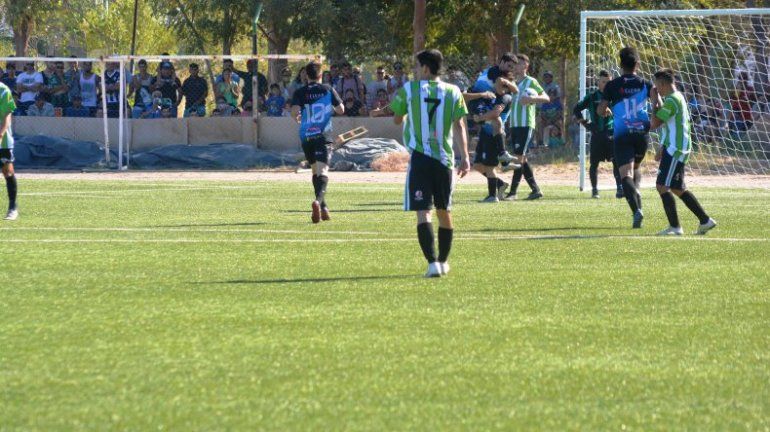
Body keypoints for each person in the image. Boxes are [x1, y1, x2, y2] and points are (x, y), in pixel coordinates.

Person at [390, 49, 470, 278]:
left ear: (425, 68)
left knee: (423, 212)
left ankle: (432, 262)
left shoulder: (410, 90)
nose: (415, 72)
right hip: (445, 160)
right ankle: (443, 261)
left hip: (420, 160)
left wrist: (404, 114)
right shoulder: (453, 91)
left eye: (417, 67)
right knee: (444, 211)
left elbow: (396, 119)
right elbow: (460, 126)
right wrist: (465, 157)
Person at [649, 68, 717, 236]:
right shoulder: (677, 98)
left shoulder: (672, 100)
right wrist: (661, 148)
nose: (658, 89)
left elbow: (655, 123)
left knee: (661, 186)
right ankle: (705, 220)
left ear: (663, 84)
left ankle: (675, 227)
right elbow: (670, 125)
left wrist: (653, 101)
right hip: (675, 148)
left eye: (658, 86)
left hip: (676, 149)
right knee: (677, 188)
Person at [598, 46, 653, 228]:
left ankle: (636, 210)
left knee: (625, 174)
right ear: (637, 64)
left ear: (620, 64)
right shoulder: (646, 84)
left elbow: (600, 109)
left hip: (622, 135)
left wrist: (606, 110)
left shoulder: (612, 85)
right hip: (641, 135)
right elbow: (659, 105)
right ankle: (637, 195)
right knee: (635, 168)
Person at [290, 61, 345, 223]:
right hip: (323, 136)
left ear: (306, 75)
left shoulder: (300, 91)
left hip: (306, 137)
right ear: (321, 75)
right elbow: (341, 109)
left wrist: (298, 118)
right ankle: (318, 202)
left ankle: (324, 207)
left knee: (315, 172)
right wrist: (330, 110)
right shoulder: (328, 89)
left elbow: (294, 112)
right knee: (323, 173)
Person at [504, 53, 550, 201]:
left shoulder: (531, 81)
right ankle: (535, 190)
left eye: (520, 63)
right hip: (515, 124)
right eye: (516, 63)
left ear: (526, 66)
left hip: (526, 124)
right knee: (521, 158)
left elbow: (546, 98)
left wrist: (531, 99)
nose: (516, 65)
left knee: (518, 158)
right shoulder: (514, 83)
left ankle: (513, 192)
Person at [573, 69, 622, 199]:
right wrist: (585, 123)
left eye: (609, 82)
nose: (606, 84)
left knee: (616, 162)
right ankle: (594, 190)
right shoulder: (592, 97)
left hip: (612, 134)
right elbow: (576, 109)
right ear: (598, 82)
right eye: (603, 82)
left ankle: (619, 188)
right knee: (594, 164)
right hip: (597, 135)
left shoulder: (616, 97)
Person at [472, 75, 517, 203]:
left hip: (494, 134)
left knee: (489, 166)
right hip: (485, 133)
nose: (494, 85)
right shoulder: (493, 95)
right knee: (477, 165)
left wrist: (479, 118)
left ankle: (492, 196)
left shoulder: (505, 97)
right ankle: (500, 184)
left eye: (497, 83)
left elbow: (495, 114)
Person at [0, 80, 18, 220]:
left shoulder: (3, 90)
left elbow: (7, 116)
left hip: (3, 140)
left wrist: (0, 134)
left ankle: (12, 208)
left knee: (7, 171)